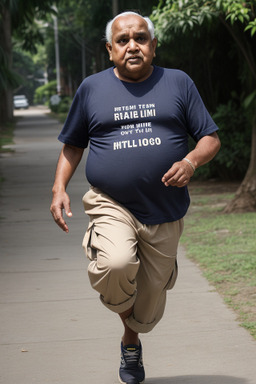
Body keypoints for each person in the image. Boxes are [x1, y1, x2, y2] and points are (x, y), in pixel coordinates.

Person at [50, 11, 221, 384]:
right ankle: (123, 282)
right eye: (123, 40)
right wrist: (59, 187)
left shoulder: (178, 83)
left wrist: (191, 162)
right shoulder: (92, 89)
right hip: (111, 202)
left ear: (153, 46)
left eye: (140, 38)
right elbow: (73, 145)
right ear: (110, 50)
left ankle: (131, 339)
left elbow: (210, 138)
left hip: (165, 209)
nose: (132, 46)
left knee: (148, 303)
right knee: (116, 263)